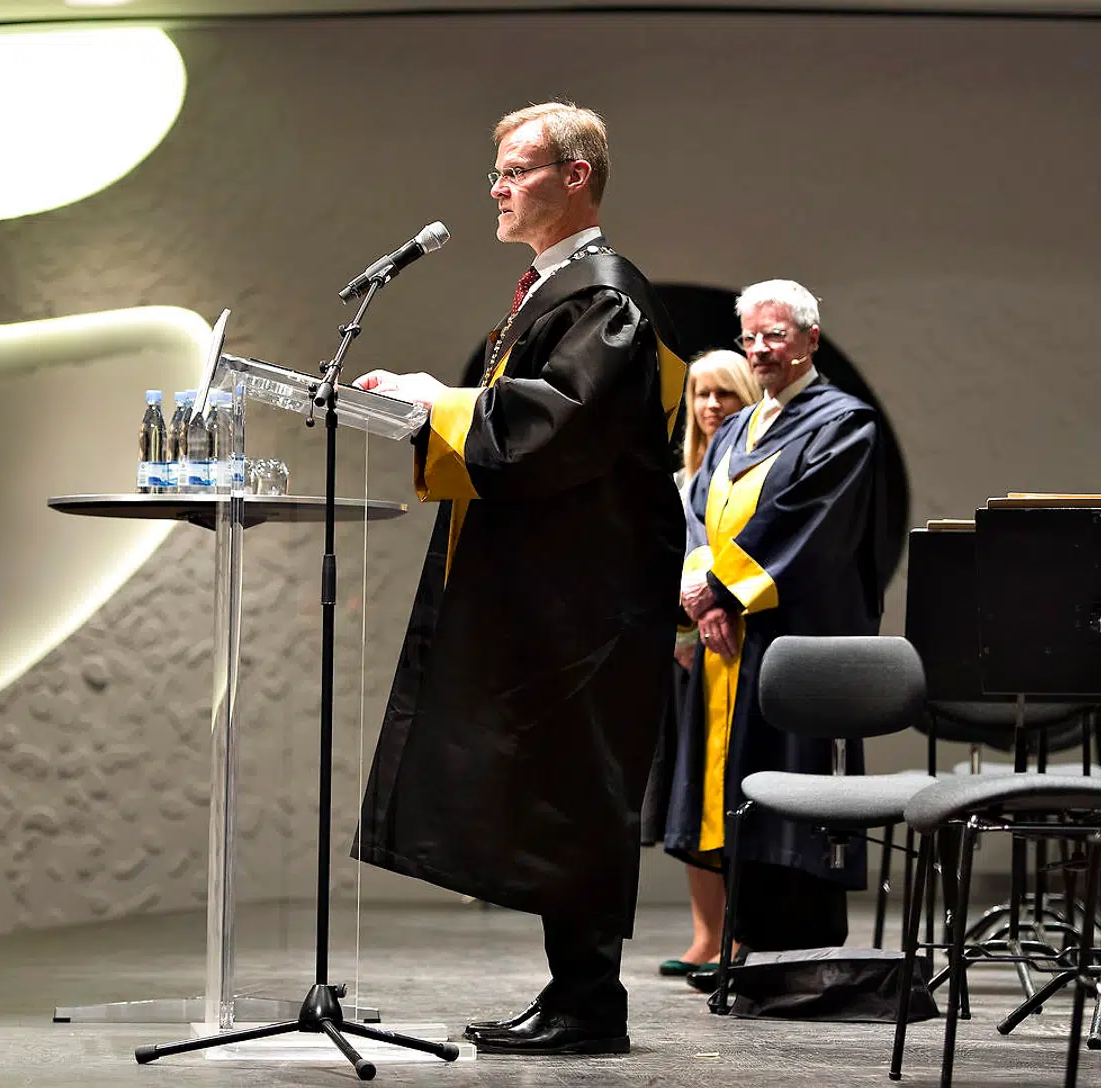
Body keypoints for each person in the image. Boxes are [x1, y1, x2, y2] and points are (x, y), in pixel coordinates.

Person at [350, 101, 688, 1056]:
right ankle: (573, 993)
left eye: (516, 170)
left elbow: (554, 427)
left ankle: (590, 1007)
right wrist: (435, 407)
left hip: (590, 598)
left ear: (575, 177)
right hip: (561, 589)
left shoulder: (605, 297)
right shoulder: (558, 290)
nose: (497, 188)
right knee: (552, 786)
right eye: (495, 172)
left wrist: (438, 404)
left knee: (576, 788)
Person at [663, 280, 886, 989]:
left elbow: (804, 523)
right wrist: (704, 597)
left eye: (776, 336)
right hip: (729, 643)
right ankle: (743, 949)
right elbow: (699, 513)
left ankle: (795, 959)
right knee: (729, 790)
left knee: (790, 791)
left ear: (810, 341)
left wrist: (721, 590)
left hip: (791, 645)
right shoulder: (736, 429)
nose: (759, 349)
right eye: (750, 337)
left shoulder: (844, 424)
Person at [641, 349, 759, 979]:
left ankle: (740, 933)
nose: (712, 406)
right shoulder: (681, 481)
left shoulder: (754, 472)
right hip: (683, 654)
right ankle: (706, 934)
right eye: (701, 395)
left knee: (728, 794)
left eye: (726, 394)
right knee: (687, 799)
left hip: (738, 645)